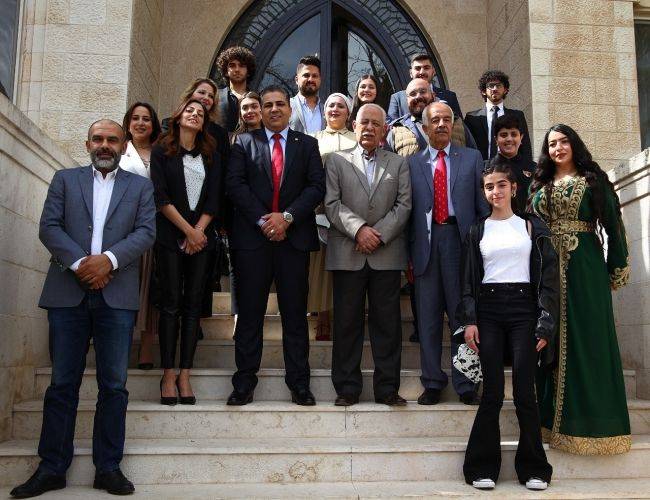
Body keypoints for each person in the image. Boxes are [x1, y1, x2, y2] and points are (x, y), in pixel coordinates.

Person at [10, 120, 155, 499]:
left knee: (114, 386)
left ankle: (108, 468)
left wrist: (108, 261)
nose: (105, 145)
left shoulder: (140, 187)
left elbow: (146, 232)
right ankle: (51, 468)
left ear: (123, 145)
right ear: (88, 143)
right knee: (62, 384)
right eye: (98, 139)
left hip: (116, 296)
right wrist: (82, 265)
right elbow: (49, 227)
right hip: (67, 294)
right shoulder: (64, 180)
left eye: (112, 140)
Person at [530, 124, 632, 455]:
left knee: (588, 341)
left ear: (574, 144)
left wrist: (616, 267)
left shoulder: (594, 180)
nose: (558, 148)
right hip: (546, 271)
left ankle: (593, 425)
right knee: (551, 341)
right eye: (551, 144)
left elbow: (614, 226)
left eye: (563, 142)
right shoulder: (540, 184)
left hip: (585, 269)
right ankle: (550, 423)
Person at [457, 160, 556, 491]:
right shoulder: (477, 230)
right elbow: (467, 281)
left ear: (514, 188)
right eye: (489, 186)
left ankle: (534, 468)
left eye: (501, 185)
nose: (495, 191)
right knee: (493, 393)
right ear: (484, 192)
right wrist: (469, 320)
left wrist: (545, 321)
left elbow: (548, 279)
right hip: (488, 310)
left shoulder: (531, 227)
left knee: (525, 392)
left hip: (524, 310)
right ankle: (481, 467)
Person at [226, 85, 325, 406]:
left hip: (293, 242)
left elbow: (316, 187)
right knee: (250, 316)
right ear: (261, 110)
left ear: (289, 108)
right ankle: (244, 383)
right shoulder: (243, 143)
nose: (274, 109)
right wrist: (265, 221)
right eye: (267, 105)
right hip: (252, 243)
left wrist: (287, 218)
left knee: (295, 317)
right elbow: (235, 185)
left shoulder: (307, 144)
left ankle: (299, 384)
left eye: (280, 104)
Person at [324, 103, 412, 406]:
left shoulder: (398, 164)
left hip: (386, 254)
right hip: (347, 252)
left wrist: (378, 235)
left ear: (385, 130)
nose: (370, 128)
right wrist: (359, 230)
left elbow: (404, 205)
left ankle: (387, 389)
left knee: (387, 326)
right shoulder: (336, 160)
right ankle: (347, 388)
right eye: (365, 122)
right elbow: (331, 203)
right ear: (354, 125)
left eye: (376, 123)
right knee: (346, 324)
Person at [408, 102, 488, 406]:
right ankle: (432, 382)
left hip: (461, 243)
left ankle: (466, 383)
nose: (441, 124)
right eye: (435, 120)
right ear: (425, 127)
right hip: (426, 247)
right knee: (428, 320)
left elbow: (482, 208)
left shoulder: (471, 158)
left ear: (453, 125)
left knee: (463, 315)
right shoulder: (411, 164)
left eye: (446, 120)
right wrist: (408, 256)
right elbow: (408, 213)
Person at [151, 99, 222, 406]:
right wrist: (188, 231)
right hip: (170, 237)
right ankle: (168, 374)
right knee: (170, 306)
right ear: (178, 116)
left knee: (193, 306)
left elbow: (215, 198)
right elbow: (161, 197)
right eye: (189, 110)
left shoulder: (211, 153)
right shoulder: (161, 151)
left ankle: (185, 374)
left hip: (201, 240)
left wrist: (199, 231)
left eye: (200, 113)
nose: (195, 114)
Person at [308, 93, 357, 340]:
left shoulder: (357, 139)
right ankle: (323, 316)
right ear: (324, 111)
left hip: (351, 211)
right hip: (320, 210)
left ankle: (347, 317)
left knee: (349, 265)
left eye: (340, 105)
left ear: (348, 113)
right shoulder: (313, 139)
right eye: (330, 105)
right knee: (322, 266)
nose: (335, 109)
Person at [119, 101, 162, 370]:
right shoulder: (119, 150)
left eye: (146, 118)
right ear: (128, 123)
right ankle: (120, 347)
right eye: (136, 118)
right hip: (124, 230)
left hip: (155, 228)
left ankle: (146, 349)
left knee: (150, 290)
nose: (141, 123)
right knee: (125, 287)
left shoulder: (162, 152)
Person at [387, 78, 476, 157]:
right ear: (407, 100)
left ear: (433, 95)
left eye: (423, 91)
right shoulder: (397, 130)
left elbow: (473, 157)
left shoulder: (456, 122)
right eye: (413, 94)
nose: (418, 96)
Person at [464, 70, 532, 162]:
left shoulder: (517, 115)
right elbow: (467, 147)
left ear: (505, 90)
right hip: (480, 166)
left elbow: (525, 146)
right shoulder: (472, 118)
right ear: (484, 91)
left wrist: (526, 167)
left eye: (498, 85)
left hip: (511, 166)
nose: (495, 89)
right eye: (491, 86)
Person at [387, 53, 462, 122]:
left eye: (426, 68)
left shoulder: (449, 96)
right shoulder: (397, 98)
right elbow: (392, 127)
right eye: (417, 68)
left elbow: (459, 125)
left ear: (433, 71)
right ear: (411, 73)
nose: (422, 72)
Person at [491, 114, 535, 213]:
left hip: (527, 221)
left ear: (521, 138)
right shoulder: (486, 168)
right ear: (496, 139)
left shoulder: (534, 168)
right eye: (504, 135)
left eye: (514, 134)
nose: (509, 139)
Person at [215, 46, 257, 132]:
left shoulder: (258, 99)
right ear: (226, 72)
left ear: (248, 71)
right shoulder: (215, 96)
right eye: (232, 65)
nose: (237, 69)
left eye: (241, 65)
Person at [289, 55, 326, 133]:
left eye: (315, 76)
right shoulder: (287, 106)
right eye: (306, 75)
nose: (310, 79)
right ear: (296, 80)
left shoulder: (326, 109)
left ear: (320, 80)